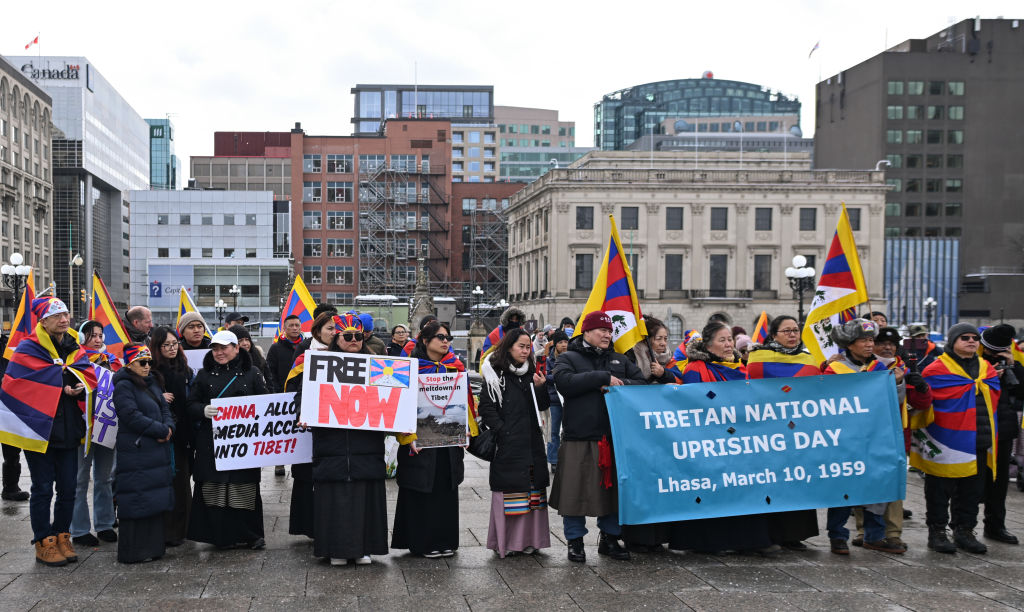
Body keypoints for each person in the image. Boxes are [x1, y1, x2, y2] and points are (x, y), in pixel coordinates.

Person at [669, 320, 778, 556]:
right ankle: (709, 541)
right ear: (708, 345)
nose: (728, 344)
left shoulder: (740, 367)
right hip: (710, 440)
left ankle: (747, 539)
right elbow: (692, 406)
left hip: (741, 441)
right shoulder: (696, 368)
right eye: (722, 340)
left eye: (729, 339)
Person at [1, 297, 95, 566]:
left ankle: (62, 536)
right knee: (42, 488)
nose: (64, 320)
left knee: (68, 489)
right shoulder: (28, 348)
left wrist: (77, 385)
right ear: (43, 321)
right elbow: (15, 384)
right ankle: (43, 541)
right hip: (38, 431)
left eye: (66, 314)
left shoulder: (74, 347)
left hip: (69, 430)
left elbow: (86, 374)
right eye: (57, 316)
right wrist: (58, 385)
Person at [550, 310, 645, 562]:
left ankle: (610, 538)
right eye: (602, 330)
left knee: (612, 492)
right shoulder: (568, 357)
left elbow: (641, 384)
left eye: (609, 330)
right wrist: (602, 378)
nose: (607, 334)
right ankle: (575, 541)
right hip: (578, 435)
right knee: (574, 492)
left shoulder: (620, 359)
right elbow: (564, 382)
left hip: (614, 436)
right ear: (587, 332)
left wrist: (619, 383)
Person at [303, 313, 389, 565]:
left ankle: (364, 548)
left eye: (358, 336)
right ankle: (335, 550)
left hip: (366, 446)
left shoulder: (378, 366)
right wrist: (304, 413)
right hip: (332, 446)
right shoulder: (317, 365)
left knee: (365, 498)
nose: (353, 340)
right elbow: (302, 397)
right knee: (333, 499)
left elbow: (393, 401)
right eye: (347, 336)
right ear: (336, 338)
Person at [911, 323, 999, 554]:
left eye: (975, 338)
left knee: (972, 491)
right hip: (945, 439)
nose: (971, 341)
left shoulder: (986, 368)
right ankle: (937, 531)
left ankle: (965, 530)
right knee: (940, 489)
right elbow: (926, 400)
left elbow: (995, 396)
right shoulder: (936, 369)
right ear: (953, 342)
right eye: (965, 338)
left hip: (978, 439)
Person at [822, 319, 902, 555]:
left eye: (871, 340)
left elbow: (895, 403)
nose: (869, 345)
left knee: (876, 485)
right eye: (864, 340)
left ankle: (874, 535)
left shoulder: (881, 370)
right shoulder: (833, 370)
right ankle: (837, 536)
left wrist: (898, 383)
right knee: (841, 487)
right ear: (849, 344)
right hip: (843, 440)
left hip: (874, 438)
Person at [745, 315, 821, 551]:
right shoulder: (757, 359)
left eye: (795, 330)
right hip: (766, 432)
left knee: (796, 481)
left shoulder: (811, 360)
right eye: (786, 331)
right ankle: (768, 533)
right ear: (774, 335)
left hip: (798, 432)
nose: (792, 335)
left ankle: (793, 534)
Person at [187, 330, 268, 549]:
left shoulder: (252, 373)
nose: (219, 352)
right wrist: (204, 410)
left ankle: (249, 535)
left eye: (224, 348)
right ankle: (220, 536)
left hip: (243, 444)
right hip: (212, 443)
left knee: (243, 489)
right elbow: (190, 405)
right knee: (215, 489)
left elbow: (266, 403)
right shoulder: (203, 375)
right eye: (215, 348)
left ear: (236, 348)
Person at [393, 321, 467, 558]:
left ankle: (445, 540)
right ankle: (422, 542)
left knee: (446, 486)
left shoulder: (455, 367)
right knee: (422, 488)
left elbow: (467, 402)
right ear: (425, 341)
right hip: (419, 440)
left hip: (447, 439)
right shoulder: (409, 368)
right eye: (440, 337)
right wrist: (407, 436)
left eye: (448, 337)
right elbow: (397, 405)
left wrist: (467, 430)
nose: (445, 341)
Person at [479, 327, 551, 558]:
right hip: (508, 443)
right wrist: (502, 431)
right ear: (508, 347)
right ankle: (508, 542)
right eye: (521, 346)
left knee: (532, 493)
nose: (525, 350)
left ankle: (531, 540)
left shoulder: (532, 373)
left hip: (531, 441)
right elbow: (487, 408)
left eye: (527, 346)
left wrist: (541, 388)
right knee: (510, 492)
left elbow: (542, 406)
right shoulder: (494, 373)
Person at [283, 312, 346, 538]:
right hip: (310, 426)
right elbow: (292, 386)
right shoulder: (305, 354)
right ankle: (308, 525)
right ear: (318, 331)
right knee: (307, 477)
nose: (334, 333)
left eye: (337, 329)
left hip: (338, 429)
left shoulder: (350, 353)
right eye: (330, 328)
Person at [621, 316, 681, 552]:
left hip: (664, 434)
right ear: (647, 340)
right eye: (658, 338)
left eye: (666, 338)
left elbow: (680, 384)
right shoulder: (632, 358)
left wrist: (664, 373)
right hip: (639, 431)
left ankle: (661, 535)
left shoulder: (670, 361)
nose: (663, 343)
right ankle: (639, 537)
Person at [112, 344, 175, 563]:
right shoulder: (123, 386)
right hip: (137, 451)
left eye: (149, 362)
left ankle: (153, 548)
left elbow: (165, 410)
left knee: (153, 499)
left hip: (156, 451)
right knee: (137, 499)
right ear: (130, 363)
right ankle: (135, 551)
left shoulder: (154, 382)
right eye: (142, 362)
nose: (147, 366)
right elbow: (130, 415)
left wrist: (169, 428)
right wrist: (159, 430)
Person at [70, 321, 118, 547]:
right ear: (82, 338)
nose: (98, 340)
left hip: (107, 426)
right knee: (80, 480)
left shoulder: (111, 361)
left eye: (100, 335)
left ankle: (105, 523)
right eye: (92, 336)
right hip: (83, 429)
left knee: (104, 478)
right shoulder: (74, 361)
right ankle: (79, 529)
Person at [149, 326, 194, 546]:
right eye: (166, 345)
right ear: (157, 347)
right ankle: (167, 530)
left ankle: (183, 528)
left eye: (174, 344)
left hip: (184, 434)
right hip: (162, 434)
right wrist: (157, 396)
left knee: (182, 482)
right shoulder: (150, 371)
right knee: (166, 482)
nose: (172, 348)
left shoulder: (185, 369)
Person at [979, 324, 1022, 545]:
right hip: (975, 428)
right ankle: (961, 526)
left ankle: (996, 525)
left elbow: (1021, 392)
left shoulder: (1013, 365)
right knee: (970, 481)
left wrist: (1013, 367)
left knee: (1000, 481)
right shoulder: (974, 362)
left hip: (1003, 429)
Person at [545, 330, 569, 472]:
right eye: (560, 342)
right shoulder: (549, 359)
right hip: (554, 400)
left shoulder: (572, 358)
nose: (564, 345)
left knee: (567, 430)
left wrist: (557, 375)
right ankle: (553, 460)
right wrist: (560, 376)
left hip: (568, 398)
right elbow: (546, 376)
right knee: (553, 431)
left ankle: (566, 458)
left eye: (565, 342)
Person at [227, 325, 275, 391]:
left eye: (247, 339)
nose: (245, 343)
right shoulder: (226, 362)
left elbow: (269, 382)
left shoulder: (259, 357)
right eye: (240, 340)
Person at [267, 315, 304, 393]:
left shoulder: (307, 346)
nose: (294, 328)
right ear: (284, 328)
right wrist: (277, 391)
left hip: (303, 392)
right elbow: (270, 372)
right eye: (291, 325)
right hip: (282, 394)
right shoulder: (275, 348)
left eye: (297, 325)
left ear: (301, 327)